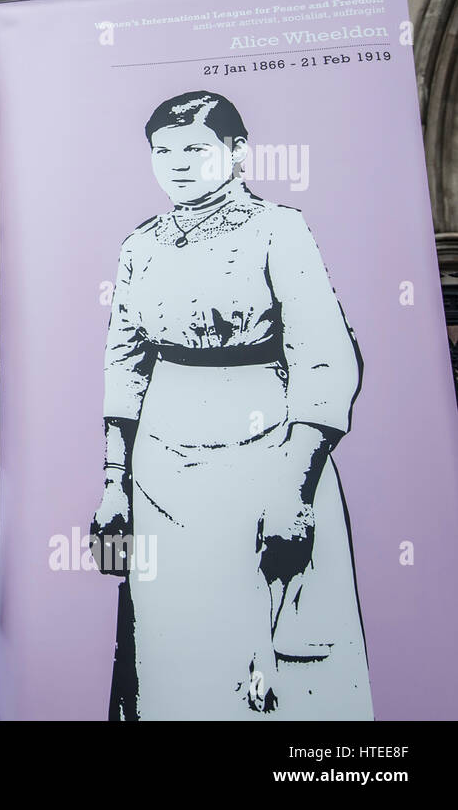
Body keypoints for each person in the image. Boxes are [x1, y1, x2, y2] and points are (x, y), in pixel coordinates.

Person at [91, 90, 372, 720]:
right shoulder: (141, 246)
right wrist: (115, 485)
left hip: (269, 448)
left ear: (236, 153)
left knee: (282, 648)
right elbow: (124, 367)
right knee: (171, 642)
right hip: (163, 466)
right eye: (164, 152)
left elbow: (325, 359)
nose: (178, 164)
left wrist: (294, 490)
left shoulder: (281, 230)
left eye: (195, 148)